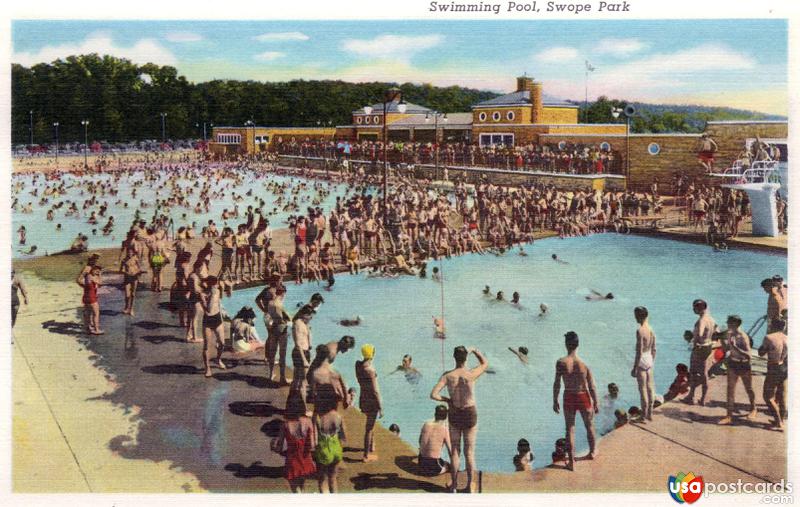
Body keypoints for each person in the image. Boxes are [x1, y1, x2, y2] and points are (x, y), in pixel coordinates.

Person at [430, 346, 488, 493]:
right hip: (469, 413)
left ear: (454, 357)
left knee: (455, 452)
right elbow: (485, 363)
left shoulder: (447, 376)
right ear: (466, 358)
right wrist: (475, 350)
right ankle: (469, 486)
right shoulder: (471, 374)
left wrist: (448, 400)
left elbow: (433, 394)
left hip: (455, 413)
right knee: (469, 452)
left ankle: (454, 486)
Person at [553, 331, 598, 471]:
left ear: (566, 344)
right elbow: (592, 386)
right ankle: (592, 452)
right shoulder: (584, 364)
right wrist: (596, 402)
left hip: (569, 396)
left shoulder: (560, 362)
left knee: (570, 429)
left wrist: (555, 400)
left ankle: (571, 462)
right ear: (578, 345)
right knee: (589, 425)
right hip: (582, 395)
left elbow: (557, 384)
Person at [271, 393, 316, 493]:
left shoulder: (285, 425)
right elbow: (312, 445)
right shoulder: (308, 422)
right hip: (305, 459)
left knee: (295, 489)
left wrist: (273, 447)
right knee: (303, 488)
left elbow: (279, 448)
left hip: (292, 461)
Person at [719, 315, 756, 425]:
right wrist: (721, 340)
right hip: (733, 363)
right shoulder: (730, 334)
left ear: (736, 324)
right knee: (730, 390)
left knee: (748, 388)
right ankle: (729, 415)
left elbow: (749, 355)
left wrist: (736, 348)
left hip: (744, 365)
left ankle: (754, 408)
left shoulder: (743, 336)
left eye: (729, 323)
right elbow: (727, 349)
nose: (727, 324)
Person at [683, 299, 717, 406]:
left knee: (693, 373)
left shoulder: (702, 320)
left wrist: (691, 337)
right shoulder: (711, 319)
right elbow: (716, 332)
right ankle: (703, 398)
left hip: (699, 348)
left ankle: (691, 396)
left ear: (700, 308)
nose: (693, 310)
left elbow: (700, 334)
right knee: (704, 374)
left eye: (695, 308)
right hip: (708, 347)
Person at [758, 318, 788, 430]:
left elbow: (761, 353)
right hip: (784, 367)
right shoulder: (788, 338)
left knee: (768, 397)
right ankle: (782, 420)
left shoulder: (769, 337)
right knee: (781, 395)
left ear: (773, 326)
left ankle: (778, 423)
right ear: (783, 327)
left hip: (773, 368)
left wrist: (764, 347)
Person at [312, 396, 346, 494]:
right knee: (333, 479)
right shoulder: (338, 416)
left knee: (322, 480)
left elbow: (314, 438)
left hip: (322, 450)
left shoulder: (318, 417)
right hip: (336, 449)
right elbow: (343, 437)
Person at [355, 344, 382, 462]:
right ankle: (366, 456)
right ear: (372, 354)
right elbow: (375, 391)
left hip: (363, 397)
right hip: (372, 400)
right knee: (369, 428)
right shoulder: (370, 371)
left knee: (370, 423)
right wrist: (381, 407)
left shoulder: (358, 366)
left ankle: (371, 446)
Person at [631, 306, 656, 422]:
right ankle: (650, 413)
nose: (635, 318)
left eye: (636, 315)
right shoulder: (651, 329)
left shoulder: (640, 331)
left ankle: (643, 415)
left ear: (639, 316)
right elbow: (654, 348)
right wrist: (652, 361)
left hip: (642, 359)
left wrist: (634, 367)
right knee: (650, 387)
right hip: (649, 358)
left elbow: (639, 351)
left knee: (642, 389)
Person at [200, 276, 227, 377]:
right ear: (211, 284)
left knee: (222, 343)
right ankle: (207, 368)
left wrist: (226, 288)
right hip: (208, 320)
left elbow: (222, 300)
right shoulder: (203, 294)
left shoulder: (217, 291)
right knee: (207, 345)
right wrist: (212, 295)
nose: (217, 285)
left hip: (217, 319)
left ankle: (218, 359)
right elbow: (209, 309)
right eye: (216, 284)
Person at [418, 404, 451, 476]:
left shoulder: (426, 424)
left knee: (441, 461)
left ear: (435, 414)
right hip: (433, 467)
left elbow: (420, 441)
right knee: (448, 465)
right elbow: (450, 451)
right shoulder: (445, 429)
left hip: (421, 462)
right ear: (446, 417)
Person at [79, 265, 104, 335]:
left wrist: (84, 286)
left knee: (88, 313)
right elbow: (100, 283)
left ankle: (87, 329)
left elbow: (79, 281)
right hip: (91, 297)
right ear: (92, 270)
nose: (97, 272)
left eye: (98, 270)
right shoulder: (91, 277)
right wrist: (100, 275)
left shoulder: (88, 276)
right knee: (96, 313)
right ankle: (97, 330)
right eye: (96, 270)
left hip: (86, 297)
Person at [120, 247, 142, 316]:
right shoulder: (124, 260)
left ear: (133, 253)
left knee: (132, 294)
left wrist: (137, 273)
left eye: (131, 252)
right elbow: (121, 270)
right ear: (127, 253)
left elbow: (139, 269)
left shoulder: (136, 259)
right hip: (127, 278)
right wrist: (125, 272)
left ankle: (131, 309)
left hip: (134, 278)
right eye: (128, 252)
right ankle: (126, 307)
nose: (129, 253)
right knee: (127, 294)